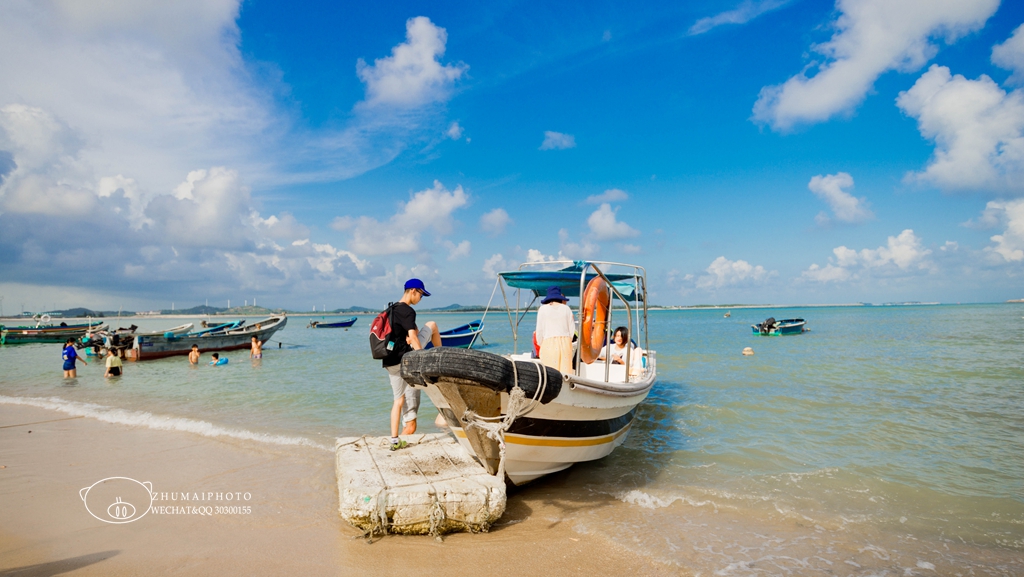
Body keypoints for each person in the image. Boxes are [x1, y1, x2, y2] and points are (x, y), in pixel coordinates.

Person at [382, 278, 441, 450]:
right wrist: (420, 357)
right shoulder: (408, 311)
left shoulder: (390, 309)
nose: (421, 299)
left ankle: (394, 439)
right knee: (411, 425)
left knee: (397, 402)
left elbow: (404, 334)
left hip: (390, 361)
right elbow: (414, 337)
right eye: (421, 295)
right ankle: (443, 357)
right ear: (413, 291)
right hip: (407, 361)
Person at [535, 286, 575, 374]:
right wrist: (566, 341)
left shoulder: (542, 309)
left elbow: (539, 331)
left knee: (549, 374)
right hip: (565, 344)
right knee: (565, 374)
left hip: (548, 343)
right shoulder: (566, 309)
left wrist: (542, 343)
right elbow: (572, 330)